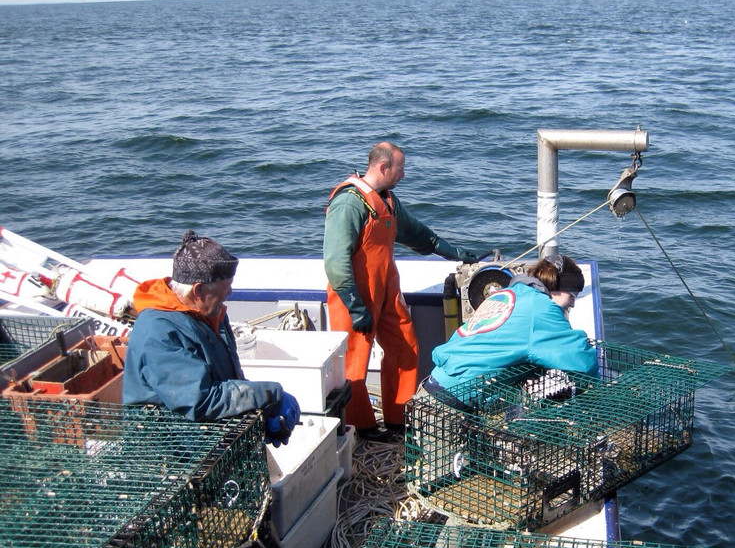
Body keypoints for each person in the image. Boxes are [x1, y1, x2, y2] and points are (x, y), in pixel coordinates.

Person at [323, 141, 482, 441]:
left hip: (387, 292)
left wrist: (458, 253)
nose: (404, 175)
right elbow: (335, 261)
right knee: (355, 363)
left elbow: (421, 236)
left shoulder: (387, 201)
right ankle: (364, 428)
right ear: (383, 168)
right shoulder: (349, 203)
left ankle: (398, 419)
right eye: (400, 169)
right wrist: (356, 308)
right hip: (353, 296)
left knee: (405, 347)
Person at [123, 230, 300, 445]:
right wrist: (270, 396)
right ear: (198, 291)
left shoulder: (212, 314)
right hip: (167, 446)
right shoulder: (158, 333)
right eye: (225, 287)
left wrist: (260, 414)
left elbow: (228, 382)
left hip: (205, 431)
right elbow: (200, 399)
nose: (230, 293)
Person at [419, 254, 598, 399]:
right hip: (453, 403)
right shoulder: (542, 308)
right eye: (573, 294)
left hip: (431, 388)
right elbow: (581, 360)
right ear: (558, 286)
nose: (573, 303)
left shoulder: (508, 292)